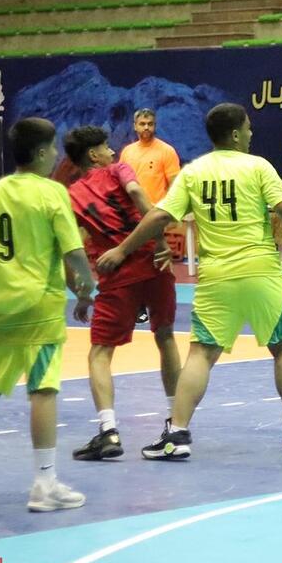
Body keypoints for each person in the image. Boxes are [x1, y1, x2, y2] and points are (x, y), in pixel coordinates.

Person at [97, 103, 282, 459]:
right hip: (261, 273)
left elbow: (158, 217)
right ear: (235, 134)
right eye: (247, 128)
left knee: (201, 354)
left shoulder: (194, 171)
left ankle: (176, 435)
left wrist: (122, 250)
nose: (251, 133)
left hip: (216, 277)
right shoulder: (258, 166)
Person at [0, 118, 95, 512]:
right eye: (53, 148)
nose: (56, 154)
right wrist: (86, 288)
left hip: (2, 312)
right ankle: (44, 483)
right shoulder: (52, 193)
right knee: (43, 390)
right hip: (41, 310)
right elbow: (73, 251)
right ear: (41, 152)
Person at [62, 125, 181, 462]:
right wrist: (159, 241)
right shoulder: (119, 170)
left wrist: (82, 293)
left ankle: (108, 431)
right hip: (153, 265)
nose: (112, 152)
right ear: (93, 155)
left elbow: (69, 249)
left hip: (117, 274)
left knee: (99, 353)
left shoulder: (71, 195)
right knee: (165, 337)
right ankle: (176, 425)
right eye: (105, 147)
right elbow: (141, 198)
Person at [119, 108, 180, 203]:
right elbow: (120, 182)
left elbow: (175, 186)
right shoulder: (127, 151)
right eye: (142, 124)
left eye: (150, 124)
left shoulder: (167, 151)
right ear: (135, 126)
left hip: (156, 209)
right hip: (131, 209)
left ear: (155, 126)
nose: (146, 127)